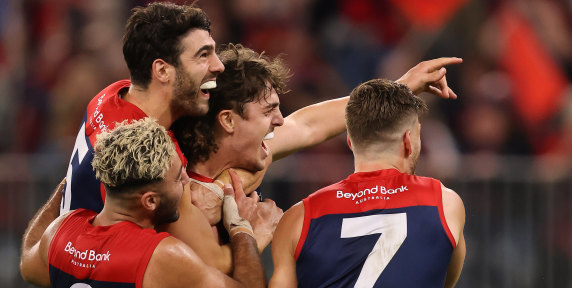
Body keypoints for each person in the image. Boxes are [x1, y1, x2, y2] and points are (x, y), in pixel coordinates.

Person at [20, 118, 283, 288]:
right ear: (150, 202)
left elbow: (28, 264)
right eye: (179, 178)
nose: (187, 183)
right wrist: (243, 230)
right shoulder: (161, 257)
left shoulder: (61, 231)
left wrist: (65, 184)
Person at [248, 79, 467, 288]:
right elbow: (439, 287)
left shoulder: (298, 218)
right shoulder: (445, 204)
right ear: (409, 141)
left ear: (350, 141)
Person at [171, 44, 461, 226]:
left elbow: (308, 125)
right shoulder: (177, 189)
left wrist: (402, 85)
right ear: (229, 121)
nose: (280, 120)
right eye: (267, 111)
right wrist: (252, 237)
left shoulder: (249, 157)